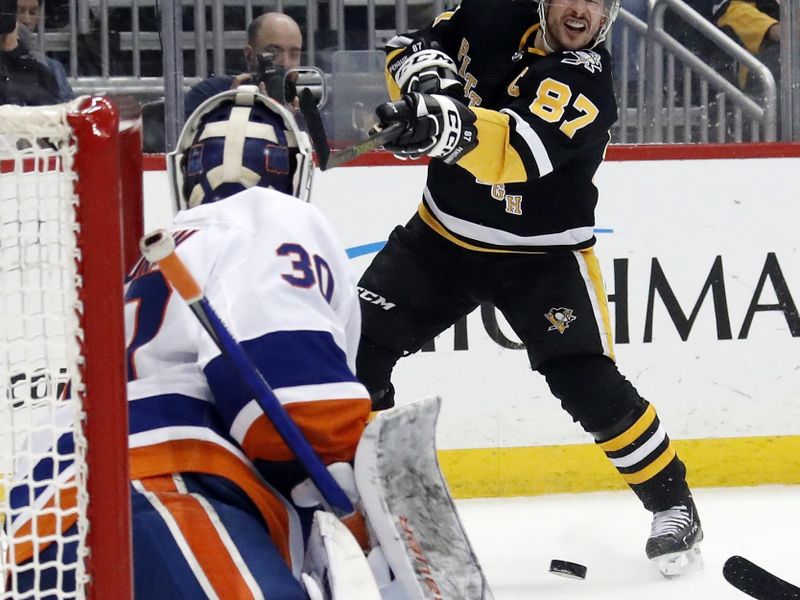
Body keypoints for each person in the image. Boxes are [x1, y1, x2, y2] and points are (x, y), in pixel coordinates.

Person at [355, 0, 704, 575]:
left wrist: (444, 123)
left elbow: (511, 154)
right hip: (440, 239)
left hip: (540, 258)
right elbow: (407, 46)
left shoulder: (586, 80)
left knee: (589, 384)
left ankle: (673, 504)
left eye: (599, 1)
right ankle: (368, 491)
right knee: (358, 347)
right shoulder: (491, 12)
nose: (582, 10)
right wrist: (426, 78)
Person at [126, 87, 371, 597]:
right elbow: (294, 400)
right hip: (170, 495)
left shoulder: (157, 256)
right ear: (294, 172)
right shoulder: (274, 216)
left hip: (55, 522)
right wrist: (356, 499)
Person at [184, 11, 303, 118]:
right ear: (249, 55)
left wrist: (294, 122)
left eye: (294, 54)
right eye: (272, 52)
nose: (285, 63)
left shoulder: (307, 110)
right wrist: (229, 110)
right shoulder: (211, 95)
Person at [0, 0, 60, 105]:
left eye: (32, 12)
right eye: (20, 11)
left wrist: (13, 49)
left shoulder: (43, 74)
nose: (27, 20)